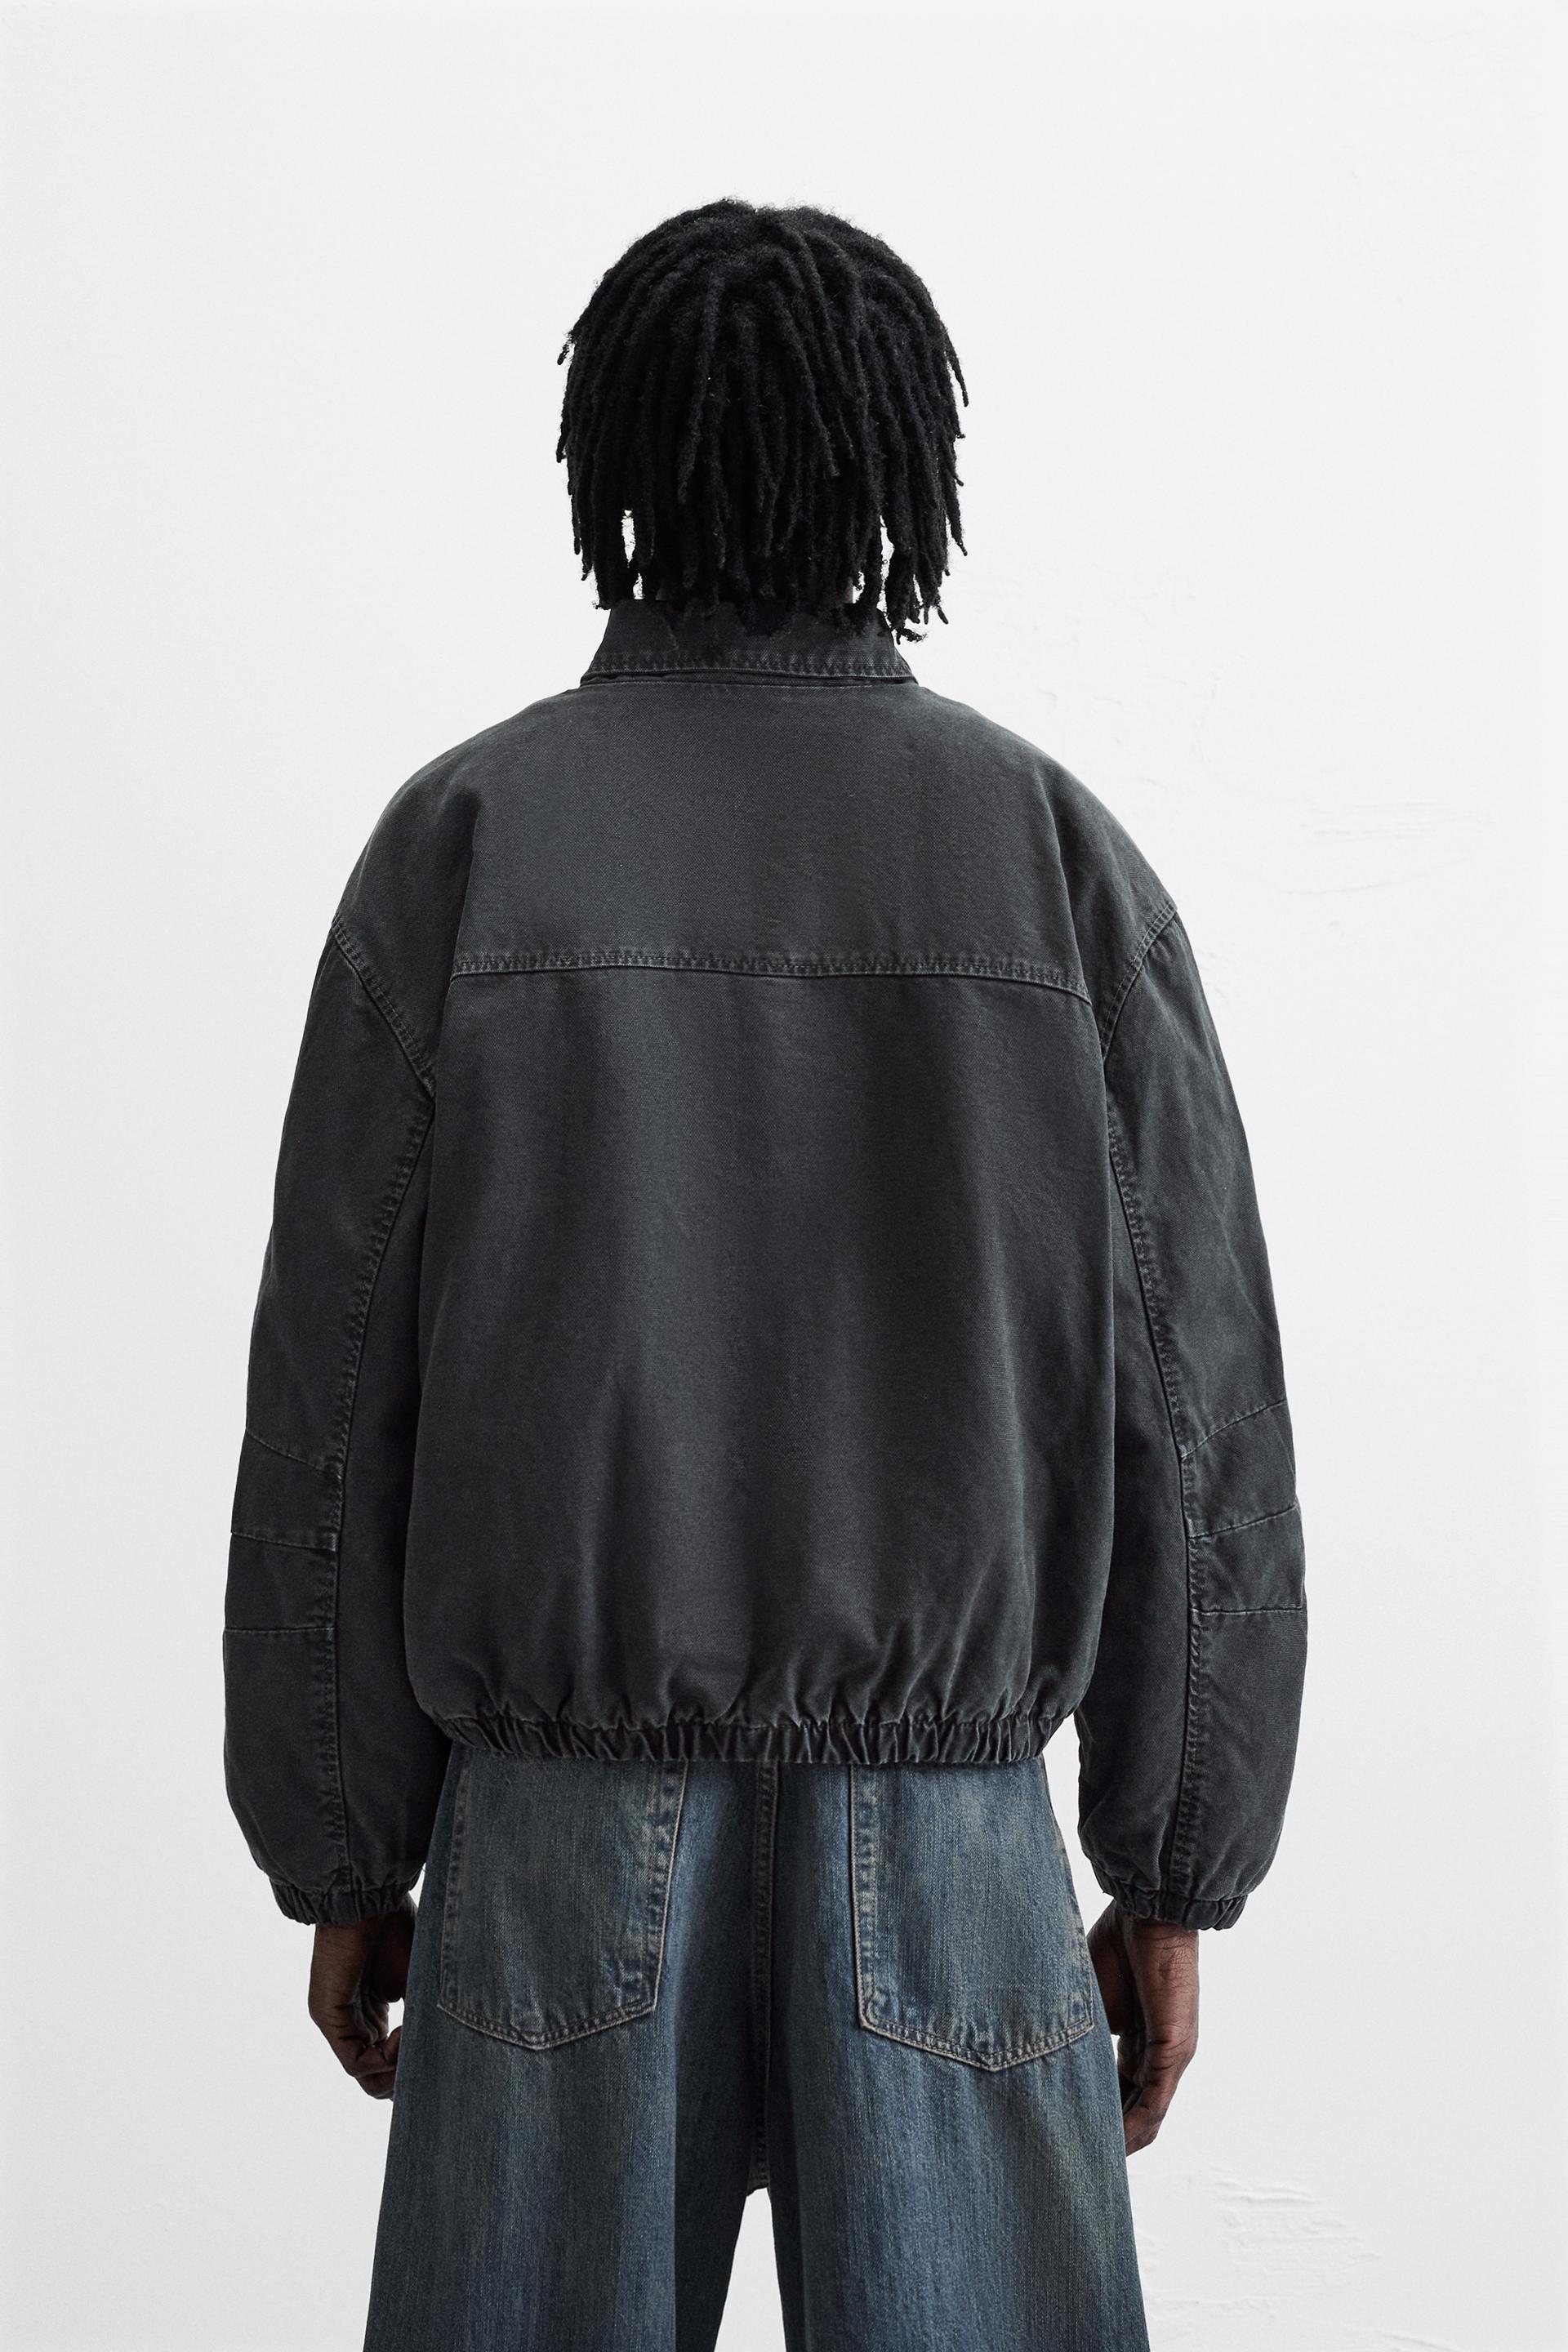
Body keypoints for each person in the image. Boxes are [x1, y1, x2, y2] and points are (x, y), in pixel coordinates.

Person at [223, 198, 1307, 2351]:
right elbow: (1197, 1419)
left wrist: (345, 1843)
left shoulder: (465, 843)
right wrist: (1173, 1865)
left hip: (555, 1840)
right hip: (951, 1851)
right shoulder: (1052, 855)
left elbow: (333, 1401)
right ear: (904, 467)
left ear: (615, 463)